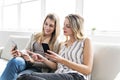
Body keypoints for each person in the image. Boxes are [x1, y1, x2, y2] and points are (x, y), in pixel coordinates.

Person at [17, 14, 93, 80]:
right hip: (60, 74)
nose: (63, 28)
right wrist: (43, 59)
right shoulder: (62, 45)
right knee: (23, 77)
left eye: (68, 26)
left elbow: (87, 70)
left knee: (25, 77)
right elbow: (56, 66)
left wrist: (62, 60)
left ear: (76, 27)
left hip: (75, 76)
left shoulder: (85, 41)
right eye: (64, 25)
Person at [0, 13, 60, 80]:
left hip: (39, 68)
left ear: (55, 28)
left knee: (21, 76)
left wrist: (33, 62)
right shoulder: (35, 35)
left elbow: (54, 66)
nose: (47, 27)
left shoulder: (56, 42)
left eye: (51, 26)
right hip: (26, 61)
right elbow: (26, 50)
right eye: (46, 24)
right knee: (14, 61)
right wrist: (20, 53)